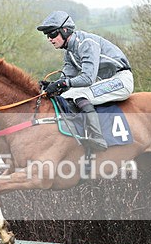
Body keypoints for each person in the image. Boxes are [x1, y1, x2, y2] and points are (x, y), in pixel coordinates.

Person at [37, 10, 134, 151]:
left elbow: (87, 78)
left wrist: (63, 83)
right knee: (64, 96)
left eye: (52, 34)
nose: (50, 39)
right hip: (103, 81)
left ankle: (98, 138)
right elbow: (67, 79)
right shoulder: (69, 52)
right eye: (47, 35)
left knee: (80, 95)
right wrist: (53, 85)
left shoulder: (86, 43)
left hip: (120, 80)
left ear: (65, 30)